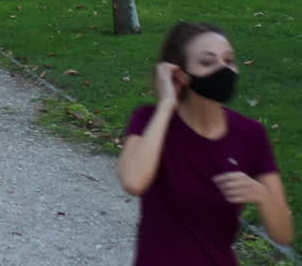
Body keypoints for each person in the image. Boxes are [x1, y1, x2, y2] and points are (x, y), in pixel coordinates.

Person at [118, 21, 293, 265]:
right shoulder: (149, 120)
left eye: (229, 60)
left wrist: (262, 195)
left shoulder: (250, 134)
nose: (223, 69)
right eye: (207, 62)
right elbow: (133, 181)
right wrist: (168, 103)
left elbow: (284, 234)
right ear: (180, 74)